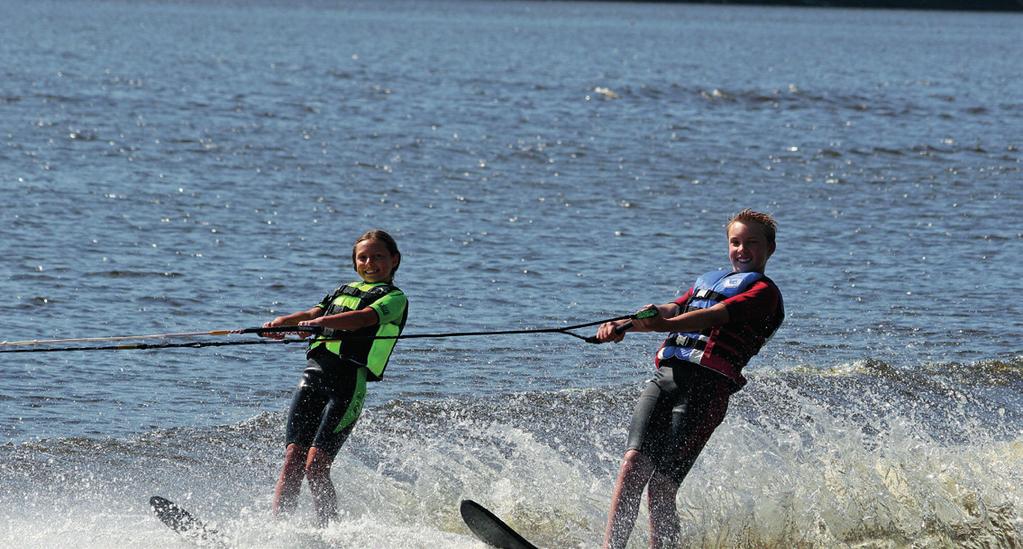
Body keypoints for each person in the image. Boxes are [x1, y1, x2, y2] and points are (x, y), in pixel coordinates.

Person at [595, 209, 784, 549]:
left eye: (751, 243)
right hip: (665, 379)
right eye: (735, 242)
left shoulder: (764, 293)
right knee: (631, 466)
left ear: (770, 248)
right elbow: (670, 309)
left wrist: (660, 326)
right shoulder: (707, 281)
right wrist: (624, 324)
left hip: (706, 391)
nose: (742, 250)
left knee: (662, 487)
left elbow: (713, 316)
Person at [262, 229, 408, 526]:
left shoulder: (394, 298)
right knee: (292, 461)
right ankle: (278, 531)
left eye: (378, 257)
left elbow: (363, 318)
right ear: (355, 263)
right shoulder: (342, 291)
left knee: (316, 466)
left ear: (394, 260)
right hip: (311, 378)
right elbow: (311, 312)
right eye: (362, 257)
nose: (370, 263)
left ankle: (328, 532)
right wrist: (282, 322)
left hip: (347, 384)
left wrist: (318, 324)